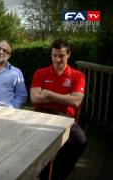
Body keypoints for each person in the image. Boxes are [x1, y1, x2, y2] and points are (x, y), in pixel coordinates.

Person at [30, 38, 87, 180]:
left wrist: (48, 93)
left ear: (68, 54)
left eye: (61, 55)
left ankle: (53, 175)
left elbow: (76, 101)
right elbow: (35, 99)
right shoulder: (40, 73)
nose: (57, 59)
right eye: (54, 55)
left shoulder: (78, 76)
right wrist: (65, 96)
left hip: (65, 118)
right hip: (42, 114)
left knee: (80, 141)